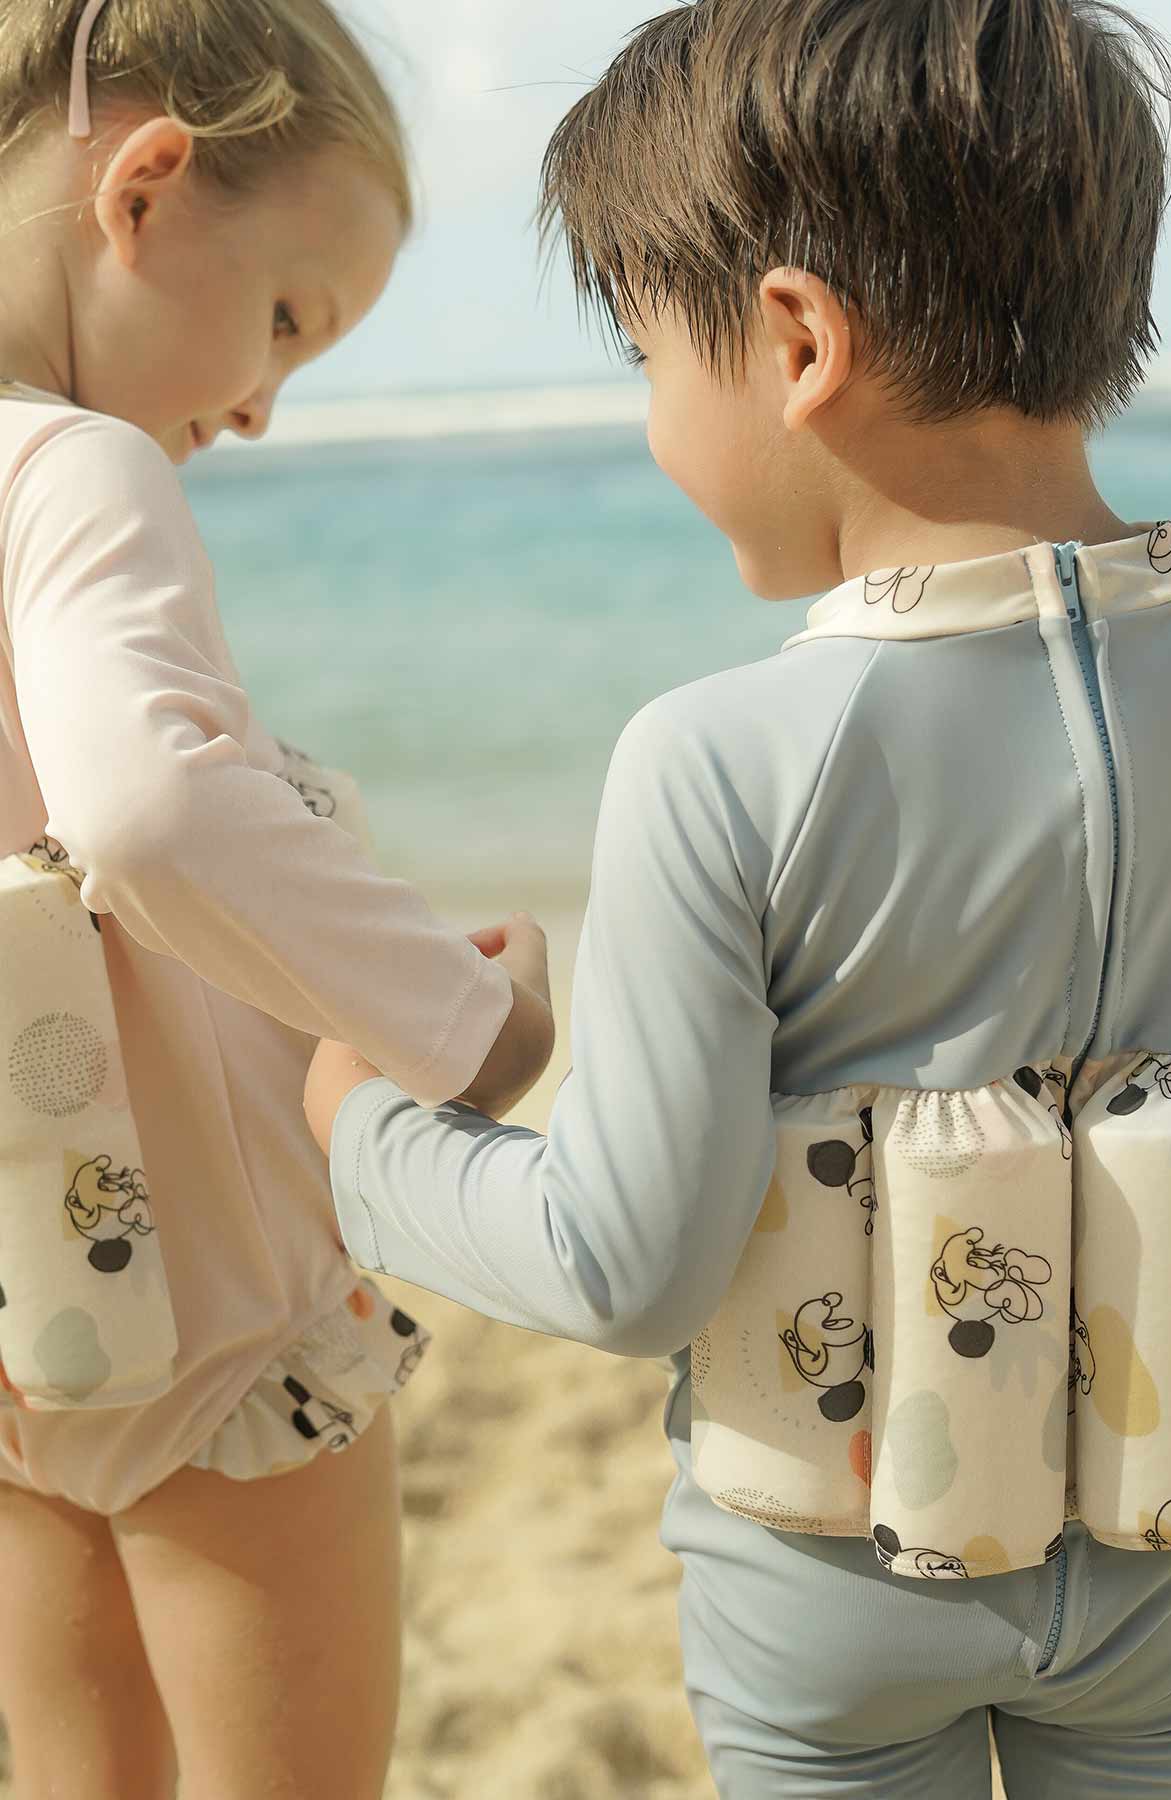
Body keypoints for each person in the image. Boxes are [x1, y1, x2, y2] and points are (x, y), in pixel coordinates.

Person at [304, 1, 1171, 1794]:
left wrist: (359, 1130)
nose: (651, 414)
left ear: (796, 339)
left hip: (831, 1595)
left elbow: (623, 1261)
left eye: (649, 358)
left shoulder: (718, 759)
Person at [0, 3, 554, 1796]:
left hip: (22, 1305)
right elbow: (153, 812)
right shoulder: (75, 468)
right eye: (290, 322)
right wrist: (459, 1022)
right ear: (147, 188)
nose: (258, 405)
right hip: (217, 1307)